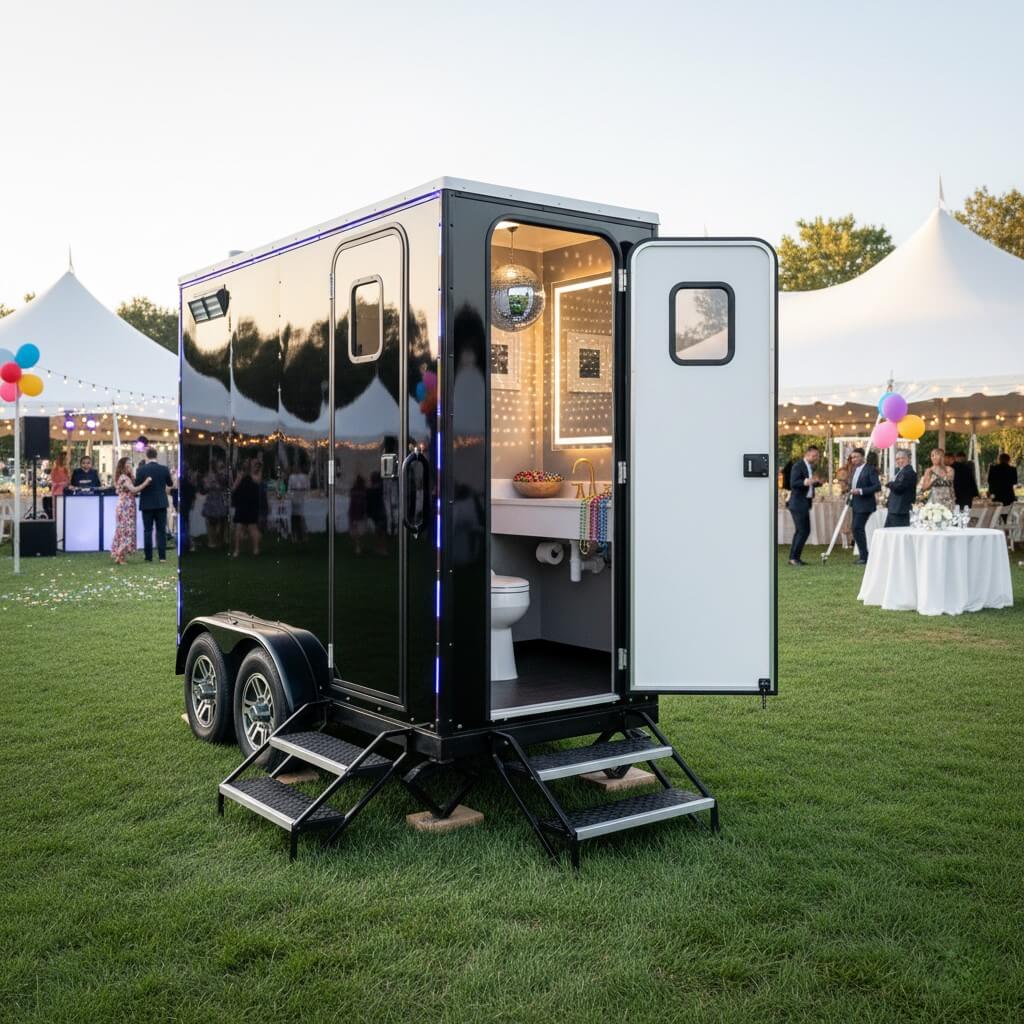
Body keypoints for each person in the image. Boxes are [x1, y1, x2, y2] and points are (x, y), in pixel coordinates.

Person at [135, 448, 174, 562]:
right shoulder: (164, 469)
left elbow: (137, 485)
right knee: (161, 530)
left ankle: (148, 557)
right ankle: (162, 557)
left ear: (146, 456)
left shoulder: (141, 470)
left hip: (146, 503)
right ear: (156, 456)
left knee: (148, 530)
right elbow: (170, 484)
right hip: (161, 502)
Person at [110, 456, 150, 564]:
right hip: (125, 506)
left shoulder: (127, 477)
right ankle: (120, 556)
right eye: (129, 463)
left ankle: (120, 555)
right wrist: (146, 483)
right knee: (125, 531)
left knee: (125, 530)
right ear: (123, 465)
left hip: (128, 505)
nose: (131, 465)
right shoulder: (123, 477)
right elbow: (134, 490)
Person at [786, 445, 821, 566]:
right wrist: (806, 481)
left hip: (804, 503)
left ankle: (794, 558)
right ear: (807, 453)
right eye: (814, 455)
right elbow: (793, 483)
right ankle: (794, 558)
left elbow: (809, 484)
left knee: (801, 531)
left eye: (817, 455)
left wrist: (816, 483)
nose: (816, 457)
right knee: (803, 530)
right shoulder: (798, 465)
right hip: (797, 503)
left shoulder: (809, 467)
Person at [847, 447, 880, 564]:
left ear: (862, 457)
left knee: (856, 528)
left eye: (856, 457)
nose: (853, 459)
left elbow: (877, 486)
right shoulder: (854, 470)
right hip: (855, 503)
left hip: (865, 504)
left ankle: (864, 557)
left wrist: (860, 491)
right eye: (852, 457)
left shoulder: (870, 469)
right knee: (856, 529)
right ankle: (864, 556)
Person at [231, 458, 261, 557]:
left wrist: (251, 472)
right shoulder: (240, 475)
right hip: (241, 504)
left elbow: (257, 481)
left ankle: (256, 549)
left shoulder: (256, 475)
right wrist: (240, 477)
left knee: (253, 527)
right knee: (238, 527)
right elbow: (234, 488)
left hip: (252, 504)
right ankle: (237, 550)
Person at [886, 449, 917, 527]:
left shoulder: (908, 471)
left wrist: (889, 483)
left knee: (895, 534)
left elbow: (899, 487)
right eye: (897, 459)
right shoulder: (902, 471)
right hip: (896, 508)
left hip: (900, 509)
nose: (900, 460)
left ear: (909, 459)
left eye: (902, 458)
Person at [202, 460, 229, 549]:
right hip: (212, 500)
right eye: (219, 466)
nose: (221, 468)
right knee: (211, 521)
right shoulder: (209, 475)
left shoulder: (224, 475)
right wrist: (212, 484)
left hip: (220, 499)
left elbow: (226, 485)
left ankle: (220, 540)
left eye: (222, 466)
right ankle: (211, 541)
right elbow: (205, 487)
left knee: (222, 520)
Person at [287, 458, 310, 542]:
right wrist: (291, 495)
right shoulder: (291, 477)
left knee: (300, 517)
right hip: (294, 499)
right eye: (294, 467)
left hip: (301, 498)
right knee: (294, 517)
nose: (295, 469)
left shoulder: (305, 477)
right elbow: (289, 489)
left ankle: (302, 535)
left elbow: (307, 488)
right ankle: (295, 535)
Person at [46, 453, 70, 519]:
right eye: (65, 459)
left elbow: (68, 482)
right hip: (57, 493)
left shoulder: (66, 470)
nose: (66, 461)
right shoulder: (54, 470)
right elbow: (54, 482)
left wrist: (65, 483)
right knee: (57, 511)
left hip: (65, 492)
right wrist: (63, 483)